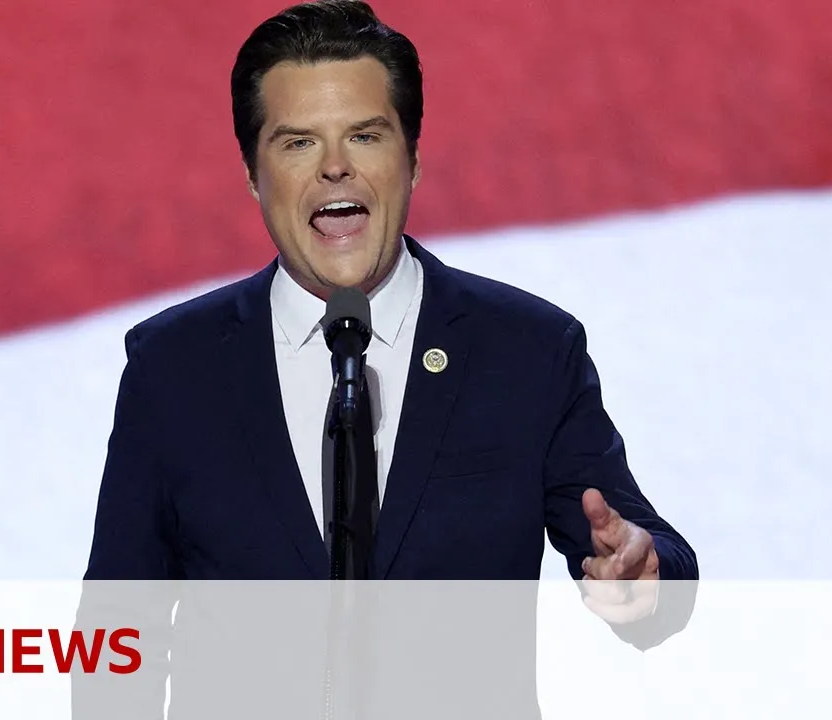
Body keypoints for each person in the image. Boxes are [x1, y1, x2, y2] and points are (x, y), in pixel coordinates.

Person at [77, 1, 697, 716]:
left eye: (365, 136)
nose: (335, 167)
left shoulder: (526, 352)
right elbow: (117, 637)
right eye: (298, 143)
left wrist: (644, 580)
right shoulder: (173, 368)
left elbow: (651, 557)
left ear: (413, 159)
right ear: (252, 174)